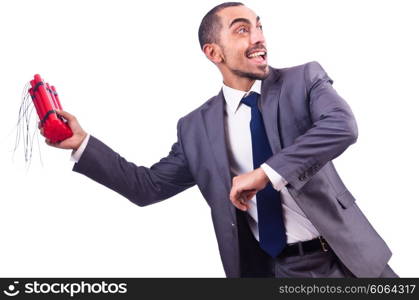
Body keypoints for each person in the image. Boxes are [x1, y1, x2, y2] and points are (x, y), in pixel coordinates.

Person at [43, 2, 398, 278]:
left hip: (346, 259)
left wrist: (266, 173)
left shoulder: (303, 81)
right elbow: (147, 187)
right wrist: (81, 142)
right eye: (242, 30)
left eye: (259, 26)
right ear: (214, 53)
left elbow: (341, 126)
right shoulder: (195, 128)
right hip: (276, 271)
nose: (259, 37)